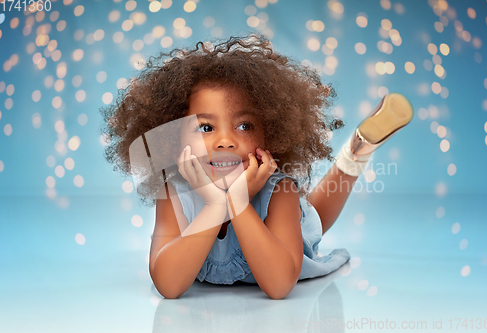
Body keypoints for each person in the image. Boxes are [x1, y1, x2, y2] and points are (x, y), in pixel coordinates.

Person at [100, 34, 413, 300]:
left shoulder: (280, 191)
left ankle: (355, 152)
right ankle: (355, 149)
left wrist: (238, 202)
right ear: (173, 135)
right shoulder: (174, 193)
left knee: (314, 216)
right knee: (313, 213)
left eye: (245, 126)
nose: (225, 141)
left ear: (273, 133)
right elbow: (168, 284)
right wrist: (215, 206)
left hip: (284, 225)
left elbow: (278, 285)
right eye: (206, 128)